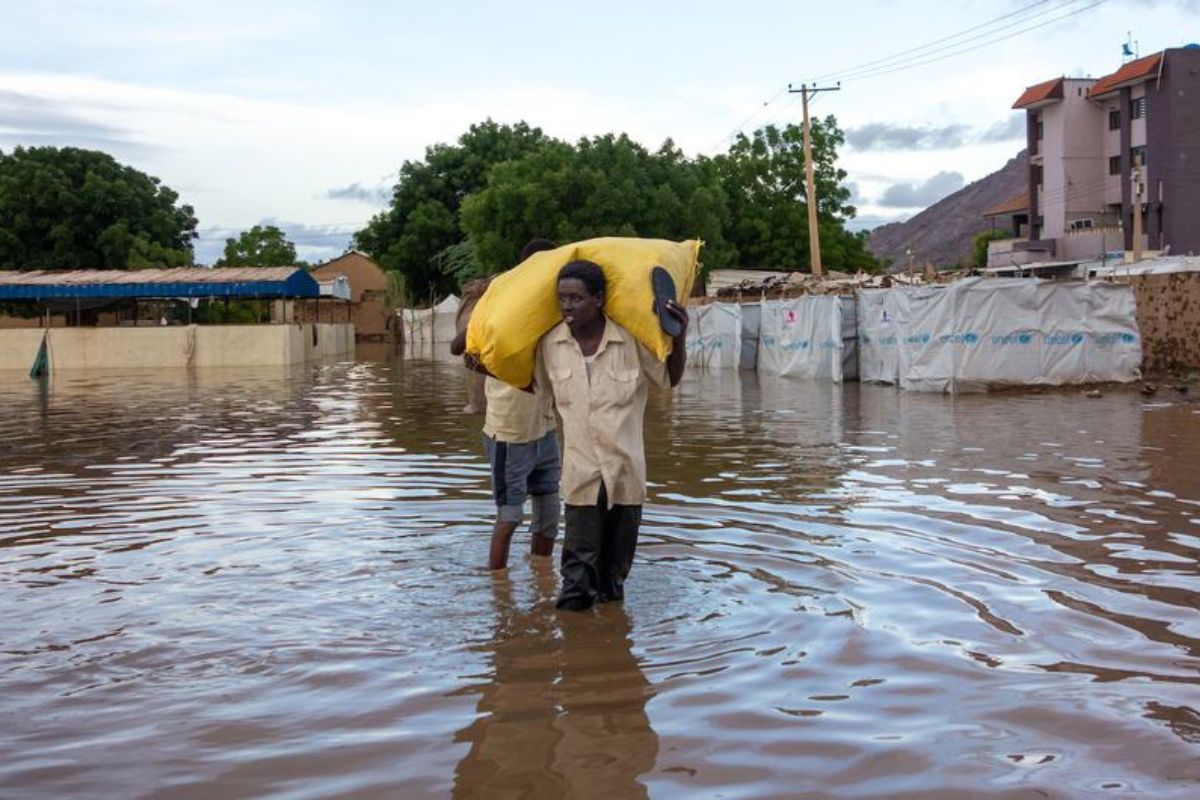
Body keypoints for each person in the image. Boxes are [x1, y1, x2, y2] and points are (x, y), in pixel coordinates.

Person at [534, 260, 688, 611]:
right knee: (576, 581)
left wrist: (679, 338)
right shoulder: (550, 345)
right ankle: (576, 656)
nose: (568, 306)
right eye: (562, 299)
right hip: (581, 479)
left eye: (577, 298)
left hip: (625, 477)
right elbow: (537, 391)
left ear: (599, 299)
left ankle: (611, 652)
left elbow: (669, 379)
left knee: (613, 581)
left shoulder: (630, 340)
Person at [451, 239, 561, 570]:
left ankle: (540, 578)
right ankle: (499, 591)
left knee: (550, 516)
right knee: (510, 516)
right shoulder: (501, 298)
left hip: (545, 427)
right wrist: (515, 375)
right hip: (509, 431)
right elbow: (463, 351)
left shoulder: (552, 303)